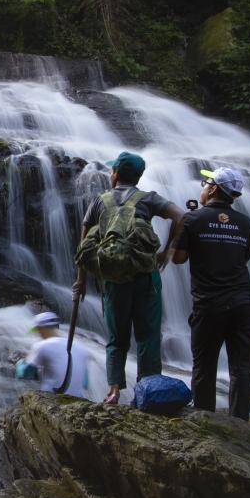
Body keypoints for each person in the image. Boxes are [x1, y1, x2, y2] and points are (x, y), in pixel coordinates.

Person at [72, 151, 185, 406]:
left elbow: (84, 245)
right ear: (138, 176)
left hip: (113, 280)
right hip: (145, 277)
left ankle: (113, 391)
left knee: (117, 337)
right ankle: (148, 389)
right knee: (148, 335)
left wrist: (81, 281)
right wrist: (167, 251)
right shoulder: (149, 199)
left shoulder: (99, 202)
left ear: (115, 174)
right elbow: (181, 216)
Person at [171, 166, 250, 420]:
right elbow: (244, 259)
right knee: (241, 369)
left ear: (213, 189)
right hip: (244, 303)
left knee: (204, 368)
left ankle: (204, 421)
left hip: (209, 306)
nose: (202, 188)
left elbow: (177, 258)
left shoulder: (193, 219)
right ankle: (239, 424)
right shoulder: (246, 222)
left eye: (204, 183)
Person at [15, 310, 91, 397]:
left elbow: (25, 374)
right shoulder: (81, 349)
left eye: (37, 330)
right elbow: (85, 383)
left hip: (52, 402)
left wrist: (19, 364)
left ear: (42, 328)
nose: (37, 333)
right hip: (78, 403)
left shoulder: (42, 346)